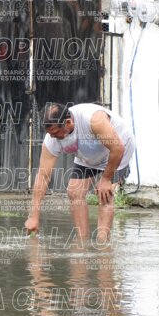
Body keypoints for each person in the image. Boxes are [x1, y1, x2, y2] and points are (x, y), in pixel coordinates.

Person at [24, 102, 136, 242]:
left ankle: (103, 243)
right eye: (50, 134)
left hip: (119, 148)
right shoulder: (51, 139)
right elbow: (43, 176)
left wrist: (106, 179)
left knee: (104, 193)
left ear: (68, 122)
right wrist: (33, 216)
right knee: (74, 192)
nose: (53, 137)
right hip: (89, 155)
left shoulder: (94, 119)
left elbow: (117, 149)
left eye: (56, 133)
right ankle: (82, 240)